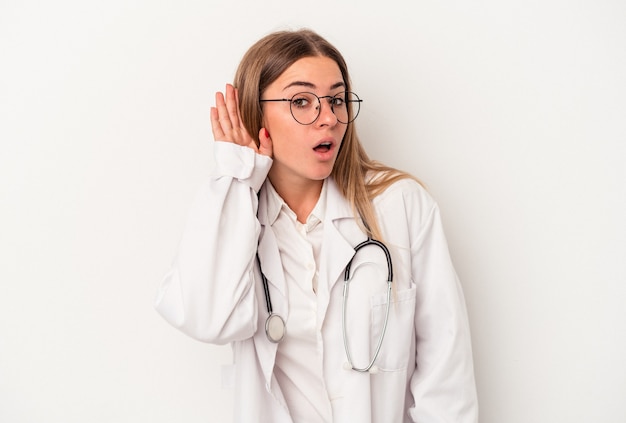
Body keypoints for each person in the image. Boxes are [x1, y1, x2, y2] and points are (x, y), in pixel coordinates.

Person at [155, 28, 478, 423]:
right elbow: (206, 317)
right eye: (302, 101)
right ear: (257, 114)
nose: (328, 118)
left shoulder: (401, 206)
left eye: (337, 100)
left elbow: (447, 378)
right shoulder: (240, 220)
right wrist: (237, 176)